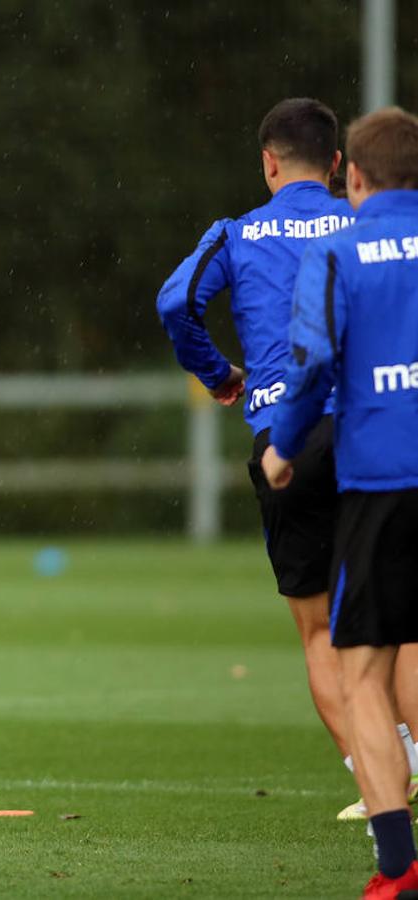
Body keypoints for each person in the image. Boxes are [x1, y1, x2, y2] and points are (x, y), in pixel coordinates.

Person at [154, 98, 418, 819]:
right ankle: (415, 762)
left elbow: (174, 302)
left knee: (320, 630)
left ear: (268, 162)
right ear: (338, 166)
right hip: (375, 431)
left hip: (289, 438)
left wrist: (217, 375)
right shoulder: (366, 224)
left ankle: (377, 782)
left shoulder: (236, 234)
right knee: (401, 619)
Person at [263, 105, 418, 900]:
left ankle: (397, 868)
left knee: (365, 668)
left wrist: (282, 449)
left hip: (384, 484)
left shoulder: (338, 250)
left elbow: (315, 362)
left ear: (350, 176)